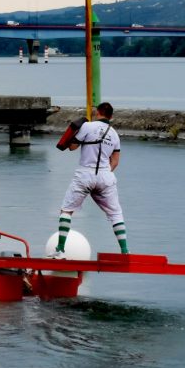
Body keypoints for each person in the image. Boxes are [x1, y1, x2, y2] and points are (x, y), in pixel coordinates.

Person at [50, 101, 128, 258]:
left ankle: (60, 249)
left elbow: (72, 148)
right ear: (111, 116)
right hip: (106, 176)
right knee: (115, 214)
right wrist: (103, 175)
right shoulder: (114, 134)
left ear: (97, 113)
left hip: (85, 174)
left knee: (66, 210)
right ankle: (125, 251)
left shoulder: (87, 127)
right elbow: (115, 161)